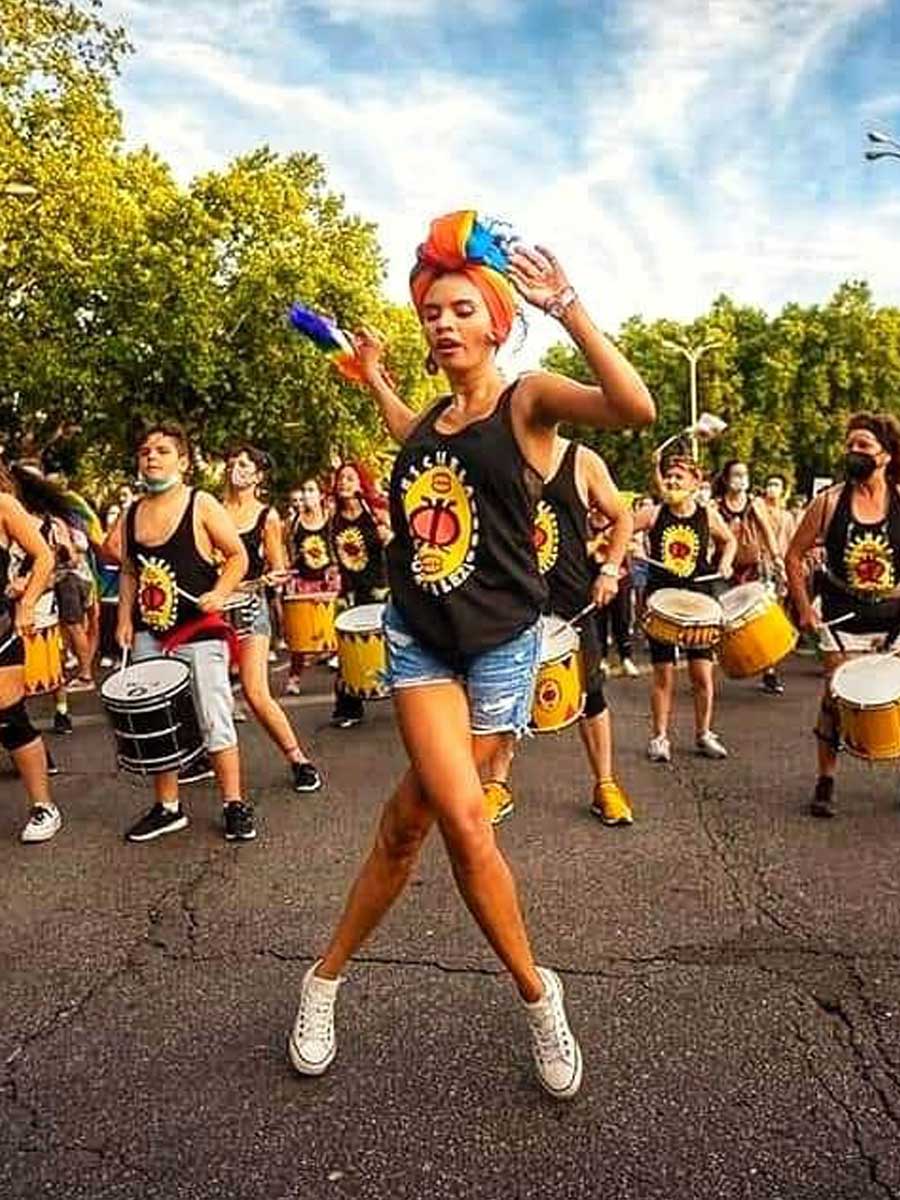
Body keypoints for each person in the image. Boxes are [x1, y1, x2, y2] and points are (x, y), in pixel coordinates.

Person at [286, 210, 655, 1100]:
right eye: (431, 314)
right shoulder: (431, 425)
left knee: (411, 823)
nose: (442, 324)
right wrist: (373, 377)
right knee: (463, 817)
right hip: (421, 644)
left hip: (502, 651)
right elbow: (412, 430)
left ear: (494, 318)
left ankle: (321, 976)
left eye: (460, 309)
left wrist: (568, 306)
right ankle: (537, 996)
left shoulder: (527, 401)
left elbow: (635, 409)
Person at [484, 437, 636, 827]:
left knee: (593, 694)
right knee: (505, 693)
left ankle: (605, 785)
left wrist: (608, 571)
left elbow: (623, 517)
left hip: (572, 602)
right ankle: (496, 786)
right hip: (514, 601)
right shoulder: (502, 457)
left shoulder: (581, 460)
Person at [117, 423, 256, 843]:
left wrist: (220, 591)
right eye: (144, 451)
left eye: (161, 450)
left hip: (197, 630)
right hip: (149, 633)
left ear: (183, 460)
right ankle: (168, 806)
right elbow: (128, 570)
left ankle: (234, 804)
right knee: (157, 719)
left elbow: (237, 556)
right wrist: (124, 619)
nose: (151, 457)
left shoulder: (202, 504)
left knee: (214, 716)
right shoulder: (130, 512)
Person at [786, 412, 900, 818]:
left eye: (864, 446)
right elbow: (794, 555)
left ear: (885, 455)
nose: (854, 452)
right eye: (850, 445)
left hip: (894, 617)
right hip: (840, 618)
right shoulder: (829, 502)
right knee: (834, 697)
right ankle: (826, 779)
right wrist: (804, 609)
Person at [222, 446, 322, 793]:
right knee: (201, 689)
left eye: (245, 464)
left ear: (258, 476)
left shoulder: (267, 516)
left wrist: (262, 580)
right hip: (213, 609)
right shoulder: (211, 511)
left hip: (249, 606)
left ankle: (299, 760)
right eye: (233, 462)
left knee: (255, 690)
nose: (237, 468)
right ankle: (201, 759)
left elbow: (278, 568)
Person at [636, 454, 736, 763]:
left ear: (695, 483)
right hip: (662, 600)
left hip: (699, 602)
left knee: (702, 676)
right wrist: (632, 547)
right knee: (663, 675)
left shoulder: (708, 515)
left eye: (680, 477)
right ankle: (659, 737)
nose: (672, 482)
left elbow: (729, 540)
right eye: (669, 476)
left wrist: (725, 562)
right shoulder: (654, 513)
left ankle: (704, 733)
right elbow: (624, 528)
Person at [0, 459, 62, 842]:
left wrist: (26, 604)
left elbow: (44, 556)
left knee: (8, 717)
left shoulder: (4, 505)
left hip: (1, 629)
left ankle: (44, 806)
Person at [713, 460, 785, 695]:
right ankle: (715, 670)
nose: (741, 478)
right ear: (726, 478)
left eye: (744, 474)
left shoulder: (755, 504)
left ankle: (770, 672)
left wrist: (776, 558)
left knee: (760, 615)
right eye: (736, 474)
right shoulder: (716, 506)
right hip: (723, 569)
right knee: (721, 620)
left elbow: (767, 532)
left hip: (752, 567)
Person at [330, 461, 390, 728]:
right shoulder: (333, 518)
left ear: (361, 484)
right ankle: (348, 707)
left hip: (379, 587)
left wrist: (387, 534)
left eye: (350, 478)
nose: (344, 483)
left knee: (392, 646)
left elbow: (398, 540)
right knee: (347, 650)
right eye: (341, 478)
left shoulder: (376, 512)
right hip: (350, 592)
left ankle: (407, 701)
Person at [284, 477, 339, 694]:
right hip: (304, 582)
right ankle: (294, 678)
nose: (306, 495)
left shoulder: (331, 519)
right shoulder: (294, 523)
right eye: (304, 490)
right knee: (301, 636)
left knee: (334, 632)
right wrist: (289, 578)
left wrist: (335, 575)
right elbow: (289, 552)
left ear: (320, 495)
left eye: (311, 490)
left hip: (327, 582)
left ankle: (348, 675)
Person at [590, 504, 639, 677]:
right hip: (595, 579)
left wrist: (624, 545)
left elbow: (633, 545)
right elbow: (586, 549)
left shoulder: (618, 522)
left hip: (621, 579)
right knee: (599, 621)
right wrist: (599, 540)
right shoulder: (586, 524)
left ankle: (626, 658)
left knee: (622, 619)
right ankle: (602, 658)